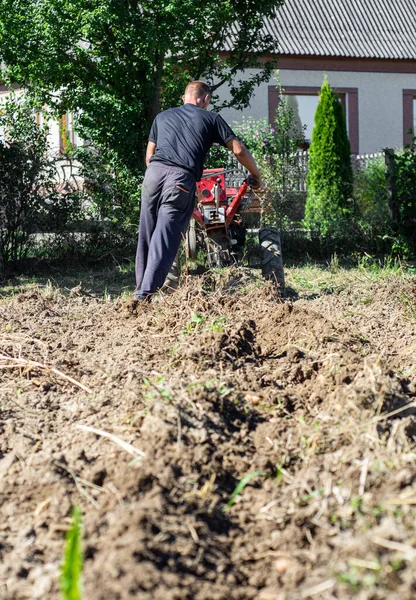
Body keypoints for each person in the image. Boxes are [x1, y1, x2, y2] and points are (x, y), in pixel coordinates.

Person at [130, 80, 261, 306]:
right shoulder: (211, 118)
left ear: (184, 97)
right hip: (180, 179)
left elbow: (149, 155)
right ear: (206, 99)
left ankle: (139, 290)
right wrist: (256, 174)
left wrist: (159, 173)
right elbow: (238, 150)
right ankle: (144, 296)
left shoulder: (161, 117)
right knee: (165, 237)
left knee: (147, 233)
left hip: (152, 177)